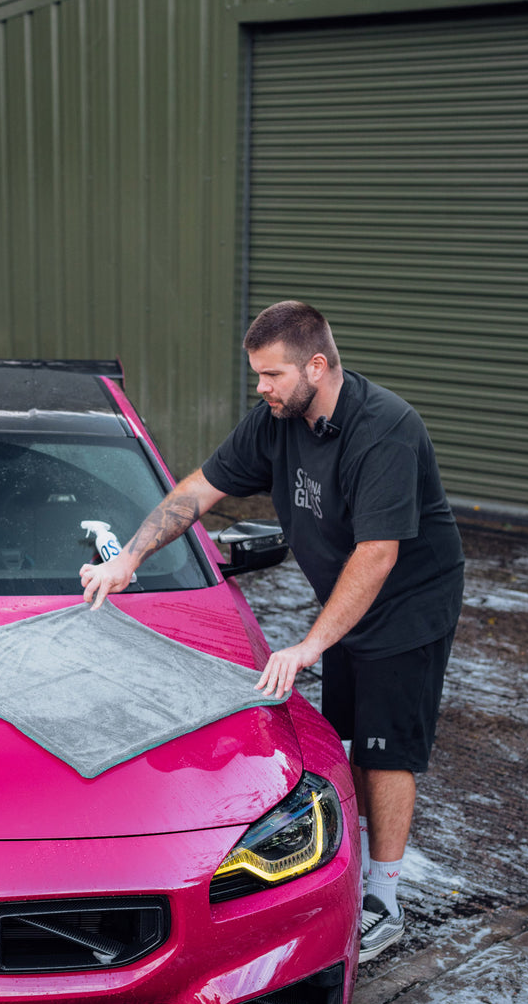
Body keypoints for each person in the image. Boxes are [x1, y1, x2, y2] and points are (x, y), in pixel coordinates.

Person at [80, 300, 464, 962]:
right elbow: (200, 490)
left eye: (272, 374)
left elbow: (377, 554)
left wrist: (312, 643)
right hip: (348, 600)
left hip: (407, 607)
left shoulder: (385, 429)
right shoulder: (278, 421)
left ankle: (384, 901)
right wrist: (130, 557)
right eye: (256, 374)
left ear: (316, 365)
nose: (261, 388)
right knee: (348, 738)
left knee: (386, 751)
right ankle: (352, 867)